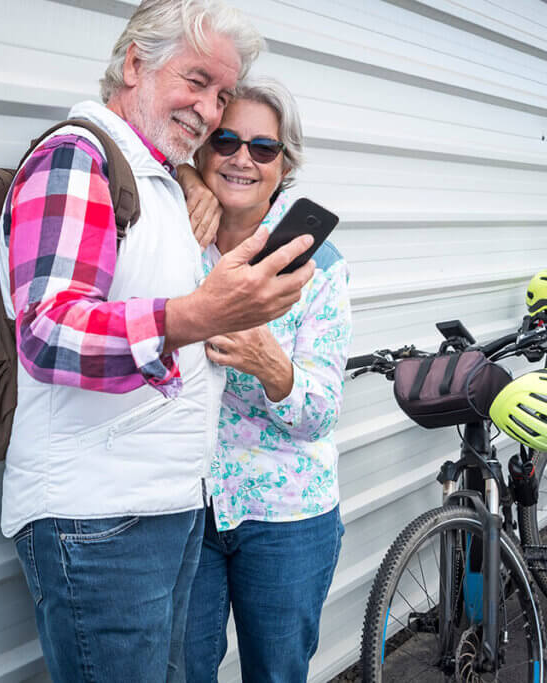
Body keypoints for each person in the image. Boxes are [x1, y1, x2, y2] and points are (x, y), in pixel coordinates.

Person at [0, 2, 319, 681]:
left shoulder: (158, 177)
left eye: (222, 95)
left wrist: (194, 179)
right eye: (195, 80)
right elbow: (49, 330)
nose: (207, 110)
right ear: (136, 61)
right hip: (100, 521)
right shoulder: (75, 160)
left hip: (159, 509)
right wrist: (197, 315)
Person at [178, 78, 352, 683]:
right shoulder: (172, 239)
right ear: (200, 149)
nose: (241, 158)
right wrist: (181, 180)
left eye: (263, 148)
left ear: (285, 165)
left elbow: (323, 412)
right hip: (184, 506)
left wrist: (270, 362)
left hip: (286, 515)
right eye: (224, 141)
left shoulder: (319, 268)